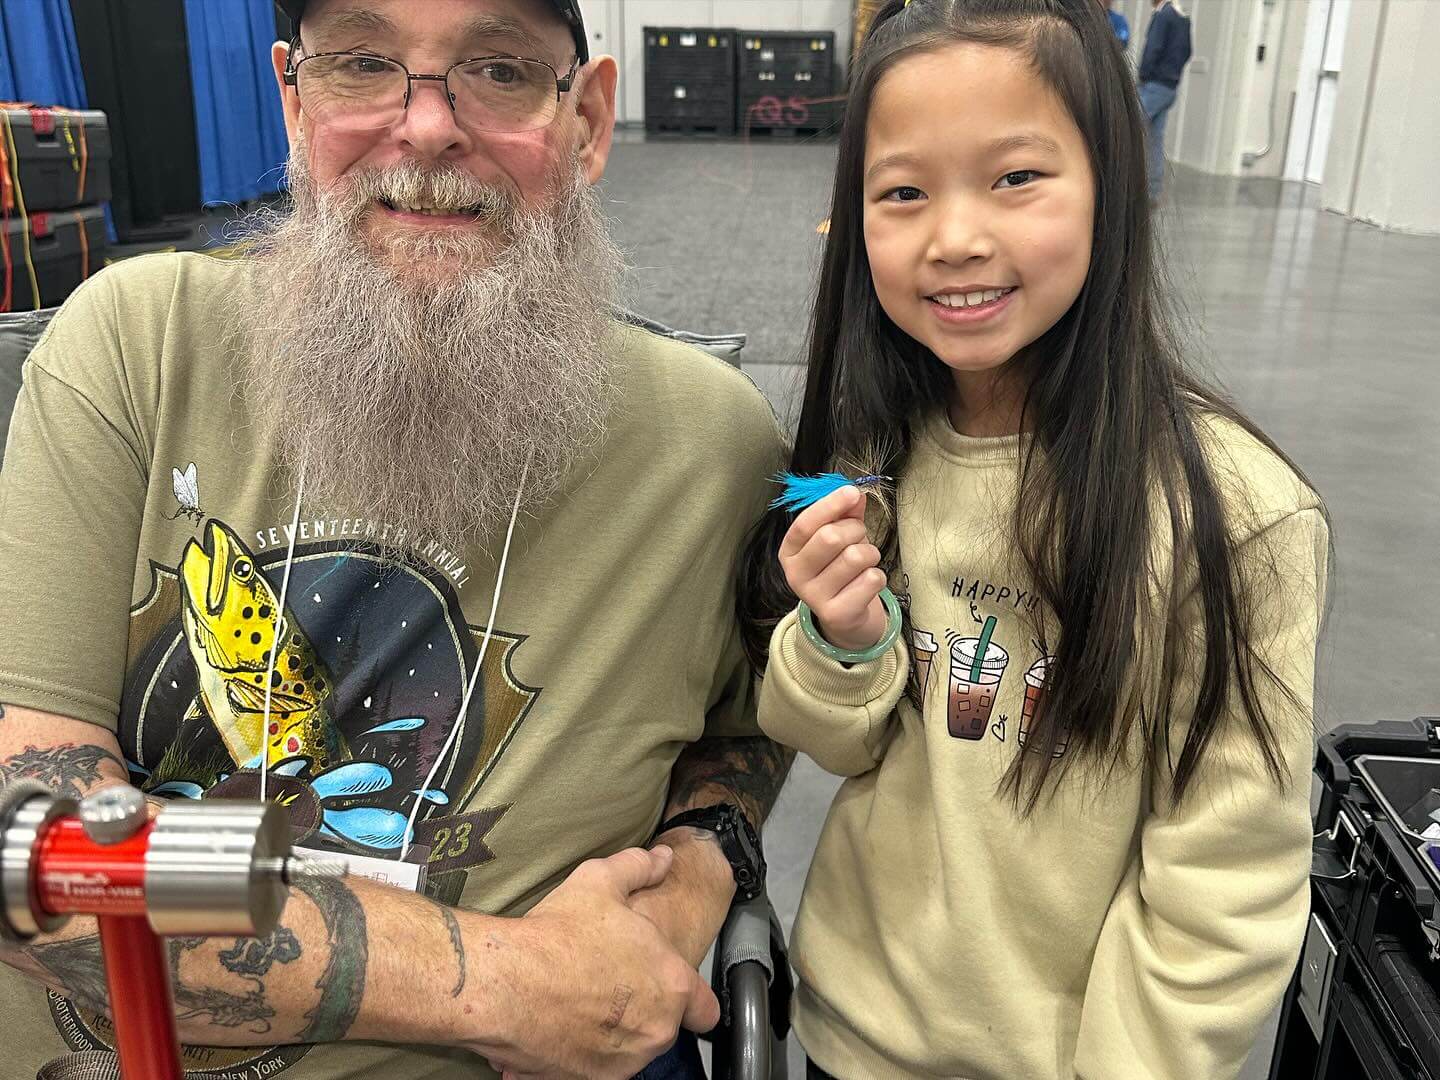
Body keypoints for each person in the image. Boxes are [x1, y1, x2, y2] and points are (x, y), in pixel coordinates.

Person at [0, 1, 791, 1078]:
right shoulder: (139, 343)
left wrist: (702, 865)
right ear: (292, 103)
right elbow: (30, 852)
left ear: (589, 120)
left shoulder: (712, 445)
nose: (425, 128)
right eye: (363, 63)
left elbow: (753, 716)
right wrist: (504, 983)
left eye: (500, 69)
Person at [738, 1, 1328, 1077]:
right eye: (903, 192)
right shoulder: (869, 458)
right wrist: (841, 640)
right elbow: (834, 744)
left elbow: (1228, 876)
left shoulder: (1236, 516)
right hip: (850, 1035)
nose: (956, 238)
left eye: (1015, 177)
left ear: (1113, 184)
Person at [1138, 0, 1193, 199]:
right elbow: (1188, 51)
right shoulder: (1182, 17)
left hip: (1154, 85)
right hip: (1170, 87)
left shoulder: (1163, 15)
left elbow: (1153, 48)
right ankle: (1153, 190)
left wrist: (1144, 74)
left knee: (1129, 127)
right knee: (1155, 137)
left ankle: (1120, 185)